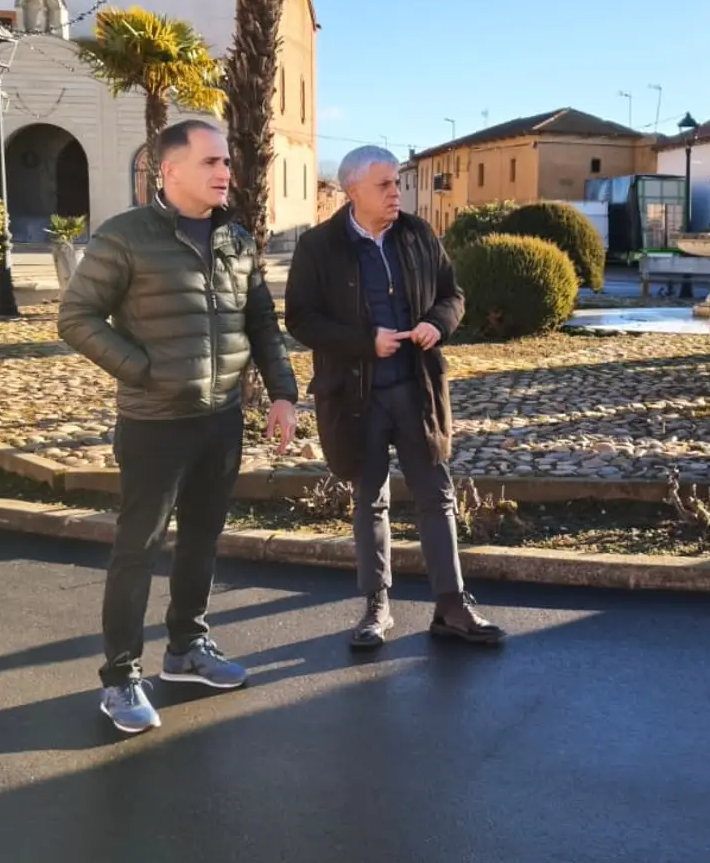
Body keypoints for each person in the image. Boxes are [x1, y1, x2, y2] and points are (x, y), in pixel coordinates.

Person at [58, 119, 299, 735]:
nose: (227, 173)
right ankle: (120, 678)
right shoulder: (126, 237)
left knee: (202, 541)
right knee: (137, 550)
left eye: (227, 163)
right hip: (154, 425)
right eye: (213, 162)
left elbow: (263, 325)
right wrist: (144, 372)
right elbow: (77, 316)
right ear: (169, 171)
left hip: (219, 421)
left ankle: (187, 650)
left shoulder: (237, 241)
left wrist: (283, 394)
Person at [284, 144, 506, 649]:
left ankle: (451, 605)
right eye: (384, 185)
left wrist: (436, 323)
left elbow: (453, 294)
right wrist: (365, 343)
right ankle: (377, 607)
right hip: (355, 397)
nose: (396, 193)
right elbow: (301, 318)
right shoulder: (319, 246)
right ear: (353, 190)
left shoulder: (418, 234)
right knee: (370, 500)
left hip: (417, 390)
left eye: (397, 184)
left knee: (437, 495)